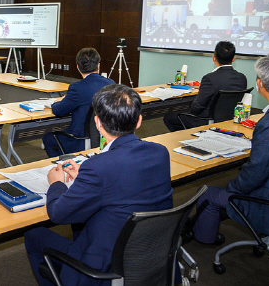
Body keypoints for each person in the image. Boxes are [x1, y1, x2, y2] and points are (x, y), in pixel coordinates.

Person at [25, 84, 173, 286]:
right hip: (149, 251)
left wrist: (56, 183)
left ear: (97, 123)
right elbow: (124, 184)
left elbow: (58, 214)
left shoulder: (97, 166)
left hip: (106, 264)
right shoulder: (160, 152)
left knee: (34, 236)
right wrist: (84, 180)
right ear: (139, 121)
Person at [190, 52, 269, 244]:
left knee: (208, 193)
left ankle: (204, 240)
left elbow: (255, 175)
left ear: (260, 84)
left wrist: (230, 189)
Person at [42, 48, 115, 157]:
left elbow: (58, 111)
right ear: (98, 66)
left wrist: (60, 101)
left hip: (80, 140)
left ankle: (64, 167)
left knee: (48, 138)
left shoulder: (77, 88)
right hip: (104, 137)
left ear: (78, 67)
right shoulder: (111, 84)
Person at [163, 41, 247, 132]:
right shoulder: (242, 78)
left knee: (169, 117)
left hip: (206, 121)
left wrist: (188, 113)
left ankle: (188, 138)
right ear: (234, 59)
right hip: (230, 119)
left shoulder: (210, 78)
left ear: (214, 58)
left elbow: (197, 107)